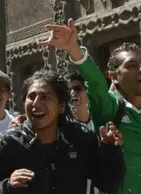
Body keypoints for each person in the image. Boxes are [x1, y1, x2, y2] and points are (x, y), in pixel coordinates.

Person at [0, 70, 126, 194]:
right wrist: (7, 186)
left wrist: (111, 152)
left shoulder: (80, 138)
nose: (36, 104)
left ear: (61, 106)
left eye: (45, 97)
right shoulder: (7, 143)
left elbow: (109, 185)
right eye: (31, 96)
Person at [39, 18, 141, 194]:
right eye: (132, 66)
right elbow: (95, 83)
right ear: (113, 76)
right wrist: (74, 49)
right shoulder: (111, 107)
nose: (140, 70)